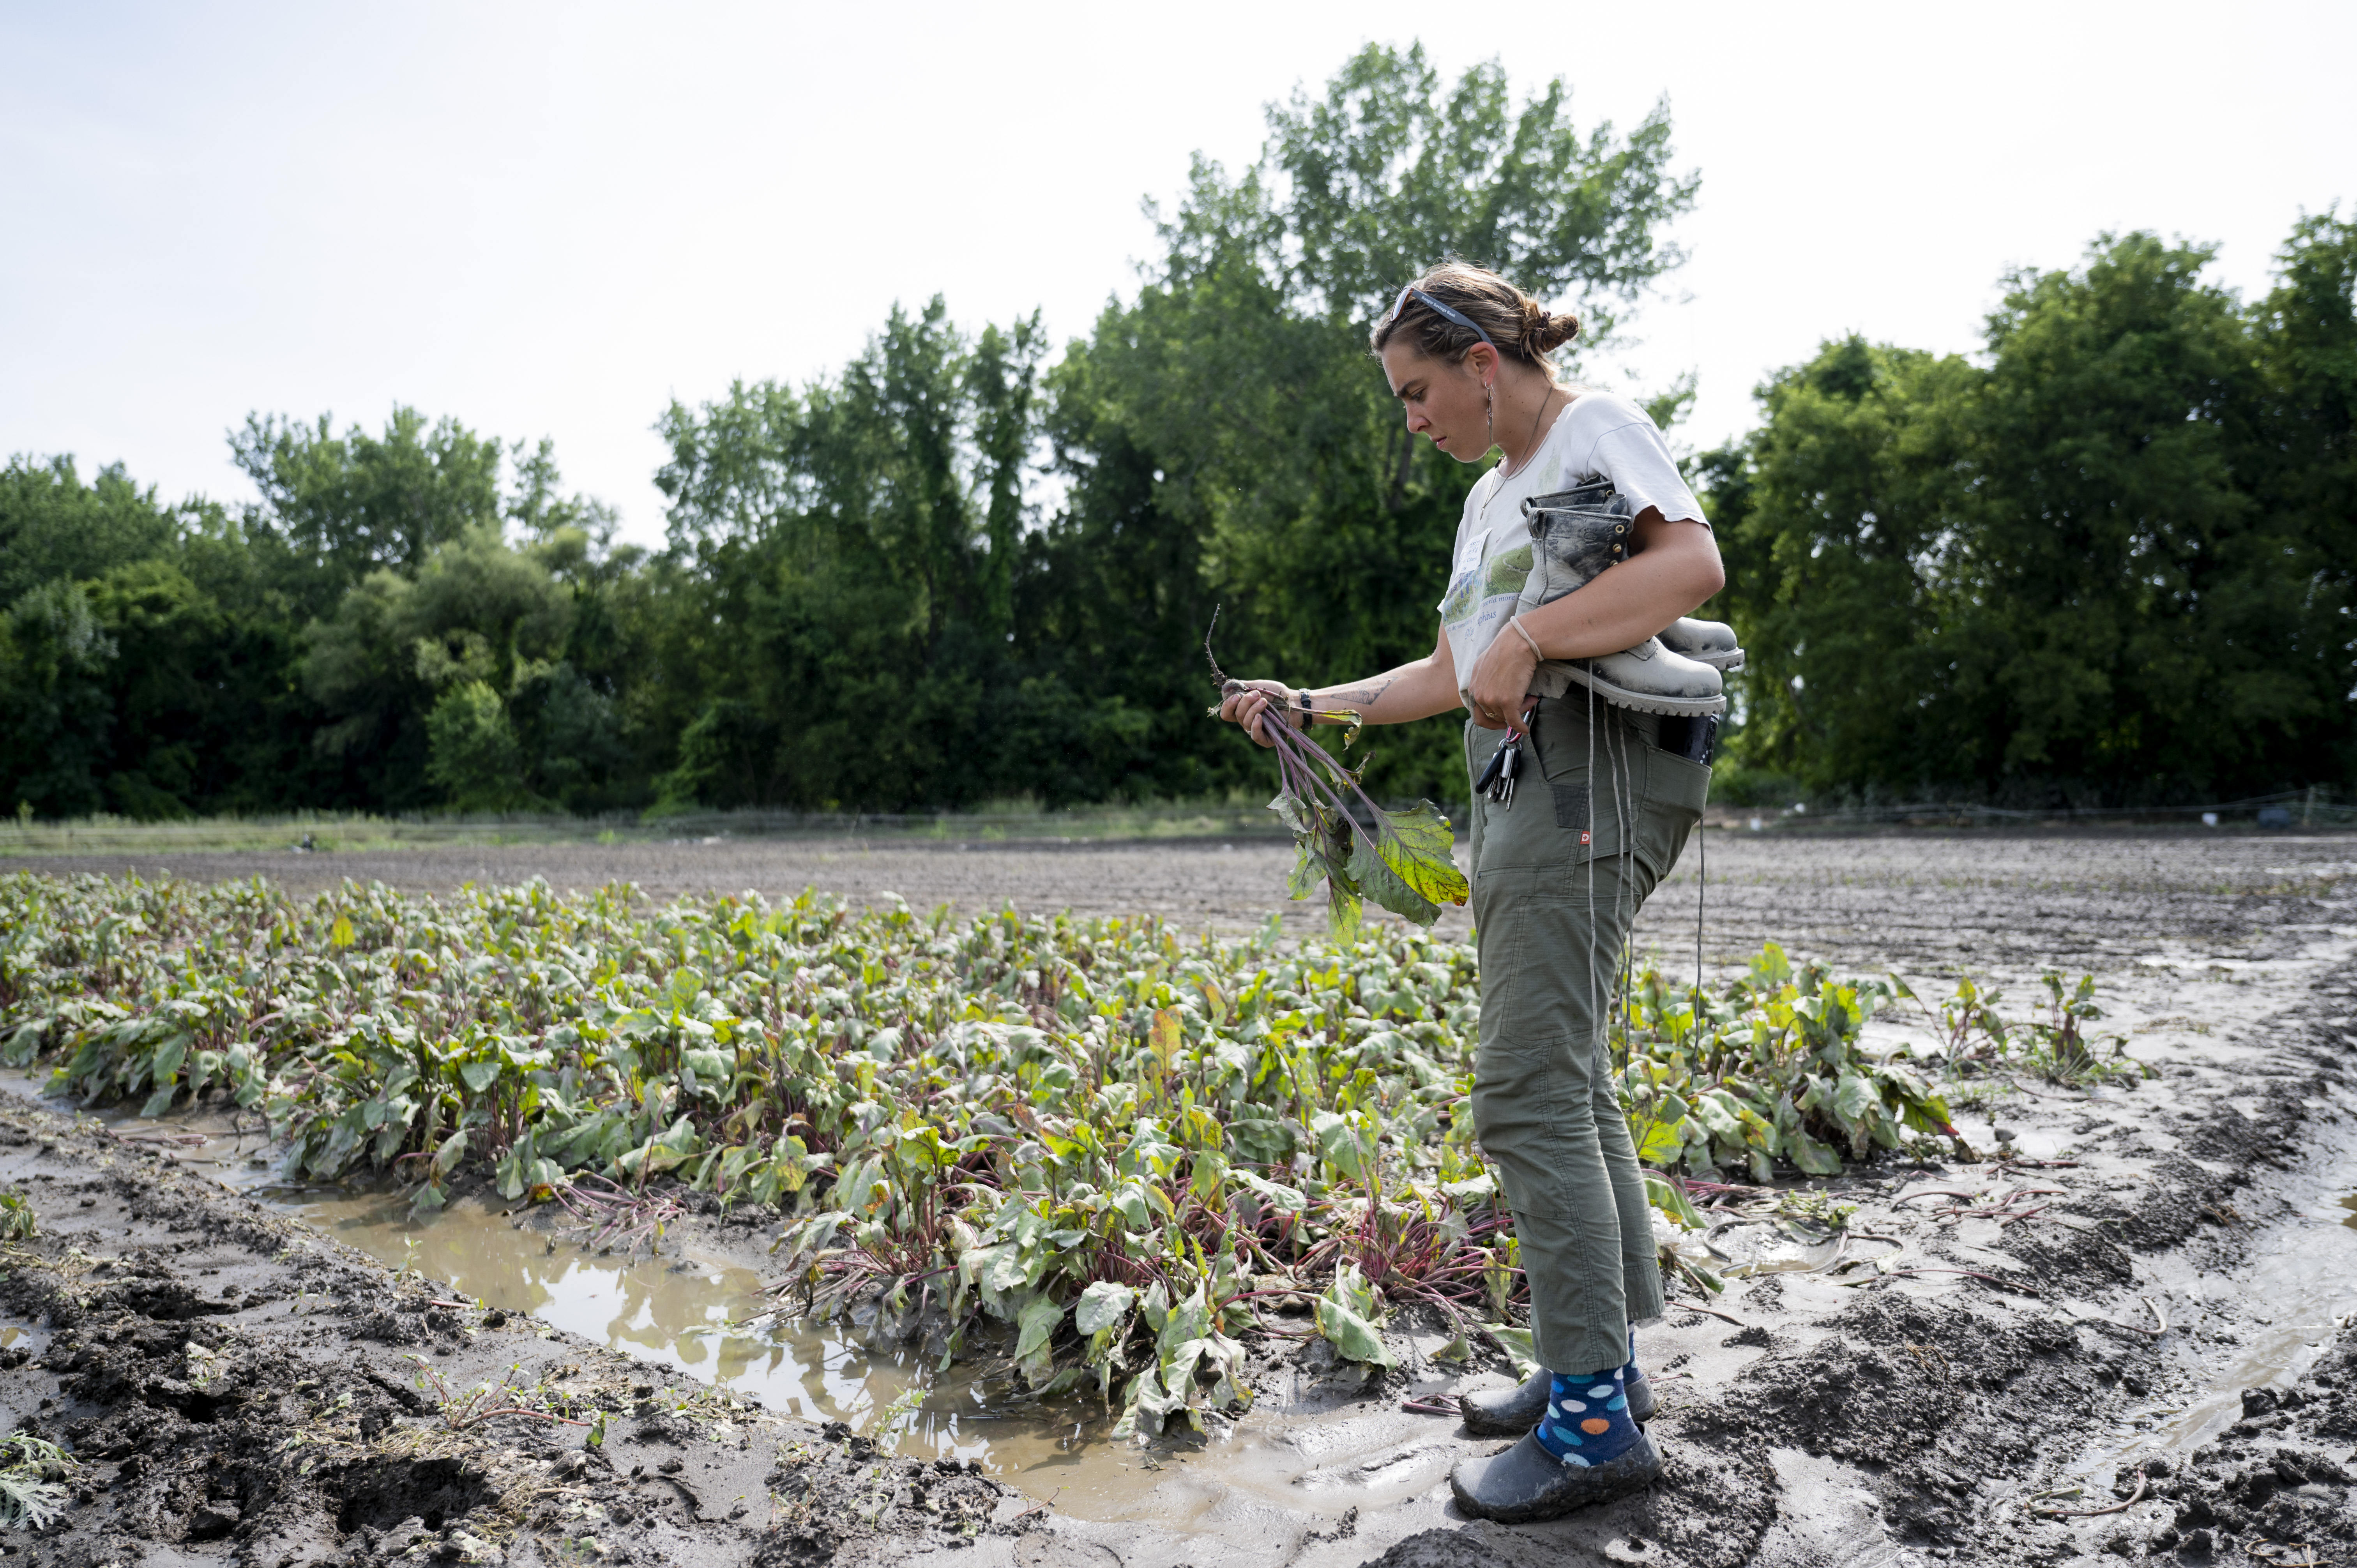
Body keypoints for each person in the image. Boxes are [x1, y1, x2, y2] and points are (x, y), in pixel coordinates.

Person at [1216, 261, 1724, 1522]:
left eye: (1417, 391)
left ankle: (1594, 1428)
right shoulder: (1491, 500)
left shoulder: (1590, 429)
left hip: (1588, 781)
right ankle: (1593, 1370)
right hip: (1522, 786)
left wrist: (1534, 638)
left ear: (1483, 363)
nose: (1411, 419)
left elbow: (1690, 572)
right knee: (1570, 1075)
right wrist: (1310, 703)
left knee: (1524, 1090)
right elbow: (1453, 668)